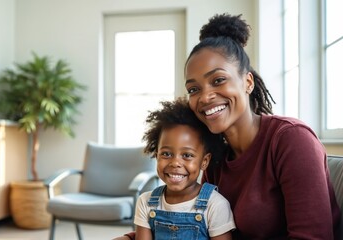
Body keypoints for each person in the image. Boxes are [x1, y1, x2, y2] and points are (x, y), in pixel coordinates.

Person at [115, 13, 341, 240]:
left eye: (218, 80)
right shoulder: (216, 157)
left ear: (248, 82)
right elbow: (200, 223)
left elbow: (313, 236)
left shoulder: (291, 140)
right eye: (194, 89)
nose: (205, 97)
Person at [135, 98, 235, 240]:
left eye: (187, 155)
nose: (175, 163)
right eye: (166, 154)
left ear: (204, 161)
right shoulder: (145, 202)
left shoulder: (216, 205)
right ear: (157, 156)